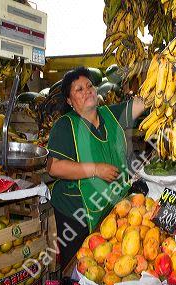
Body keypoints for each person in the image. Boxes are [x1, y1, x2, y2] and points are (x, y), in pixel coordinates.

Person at [46, 67, 145, 270]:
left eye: (90, 85)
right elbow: (54, 167)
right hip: (76, 212)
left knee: (107, 266)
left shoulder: (111, 114)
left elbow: (141, 104)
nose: (88, 91)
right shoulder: (65, 126)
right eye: (79, 89)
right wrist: (95, 169)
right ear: (69, 101)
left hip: (110, 208)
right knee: (79, 269)